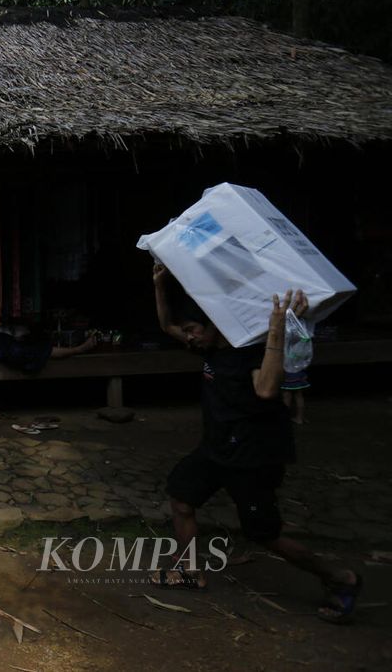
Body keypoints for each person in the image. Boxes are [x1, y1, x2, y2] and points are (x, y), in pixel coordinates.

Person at [151, 263, 361, 622]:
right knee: (182, 498)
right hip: (217, 448)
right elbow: (166, 325)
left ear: (215, 324)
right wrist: (159, 285)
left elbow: (266, 388)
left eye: (194, 331)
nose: (189, 338)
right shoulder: (209, 349)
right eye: (188, 334)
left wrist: (277, 328)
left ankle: (340, 578)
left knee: (265, 534)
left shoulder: (252, 350)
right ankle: (189, 569)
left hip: (252, 455)